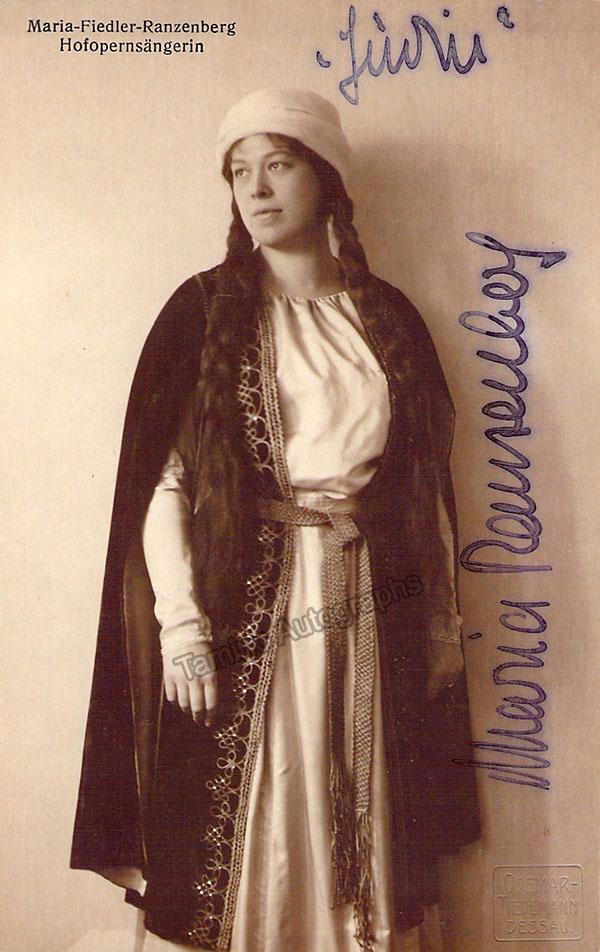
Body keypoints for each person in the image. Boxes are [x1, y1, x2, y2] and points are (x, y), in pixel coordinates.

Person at [71, 88, 481, 952]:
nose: (256, 189)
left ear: (324, 179)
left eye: (278, 165)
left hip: (368, 604)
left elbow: (423, 490)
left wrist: (440, 625)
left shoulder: (389, 318)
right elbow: (162, 483)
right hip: (237, 607)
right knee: (247, 798)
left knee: (362, 799)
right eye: (239, 172)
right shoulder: (202, 312)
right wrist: (181, 627)